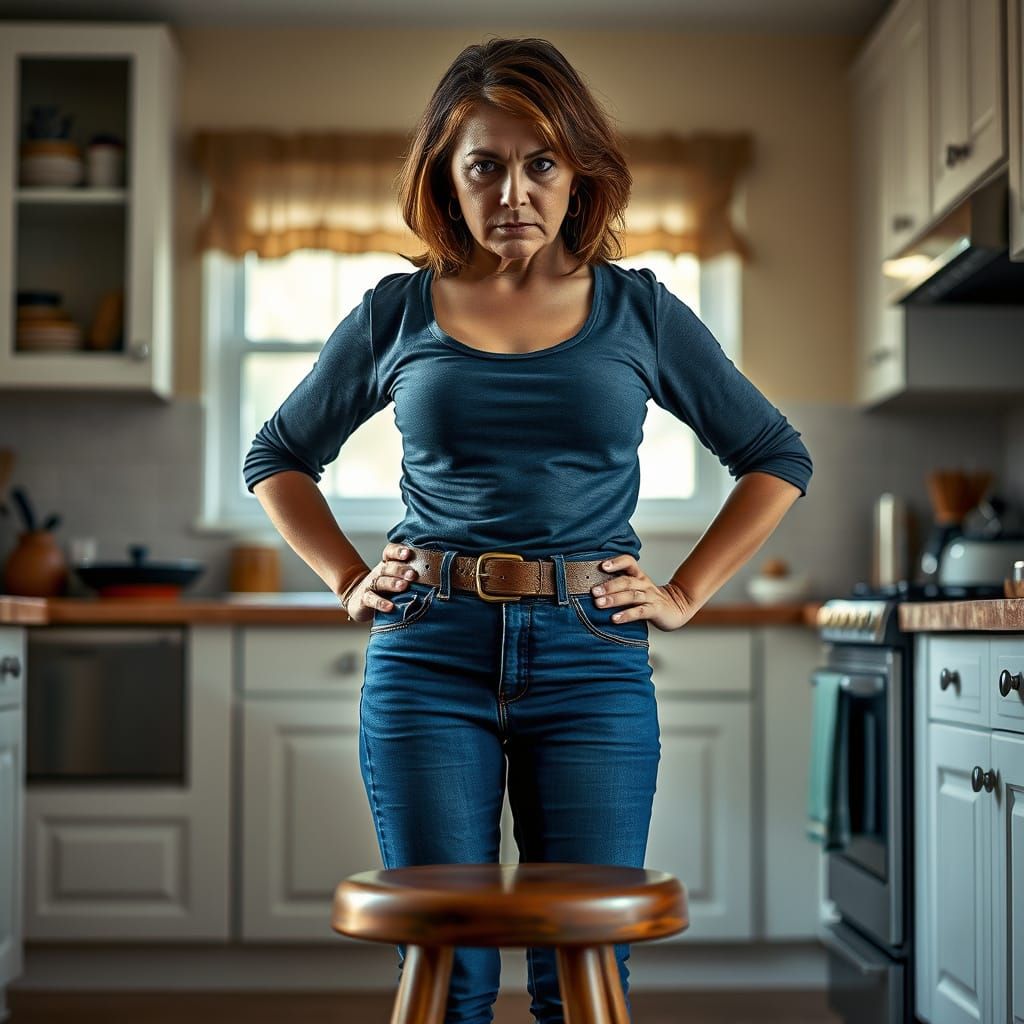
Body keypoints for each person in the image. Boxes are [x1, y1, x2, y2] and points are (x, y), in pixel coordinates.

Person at [244, 36, 812, 1024]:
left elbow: (774, 454)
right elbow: (277, 455)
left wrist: (683, 592)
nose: (514, 189)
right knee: (449, 968)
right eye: (485, 164)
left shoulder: (639, 311)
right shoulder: (395, 312)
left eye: (540, 162)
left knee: (582, 965)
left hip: (591, 661)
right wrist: (344, 577)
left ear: (577, 173)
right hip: (427, 654)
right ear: (447, 180)